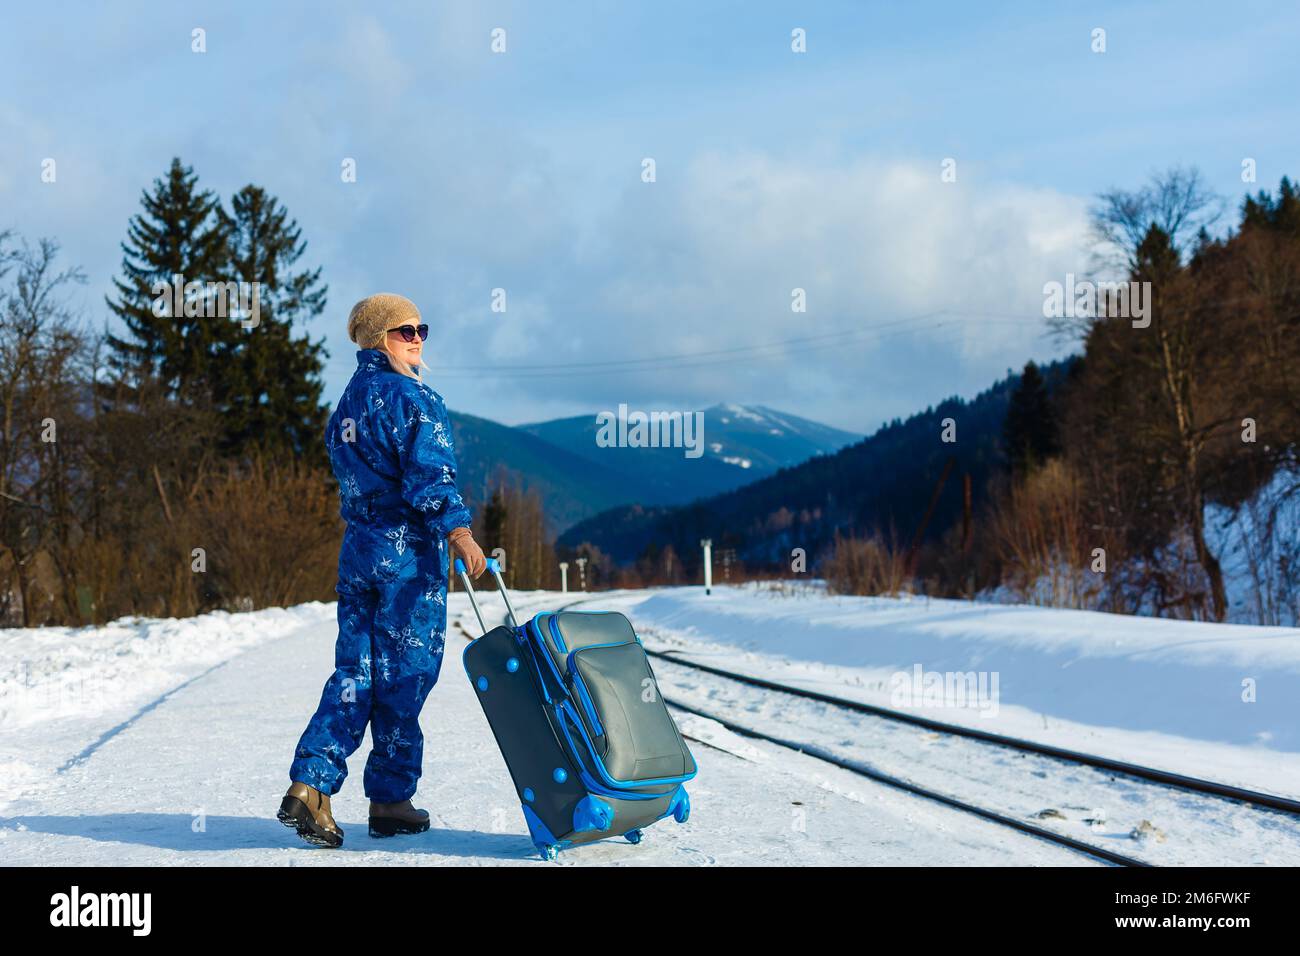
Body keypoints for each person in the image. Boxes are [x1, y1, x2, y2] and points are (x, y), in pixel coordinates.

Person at [278, 293, 487, 848]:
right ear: (378, 339)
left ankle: (310, 783)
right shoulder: (412, 398)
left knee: (356, 672)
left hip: (359, 552)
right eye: (405, 331)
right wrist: (460, 532)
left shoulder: (345, 405)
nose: (417, 340)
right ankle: (391, 800)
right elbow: (430, 478)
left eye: (422, 329)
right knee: (406, 675)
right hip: (407, 560)